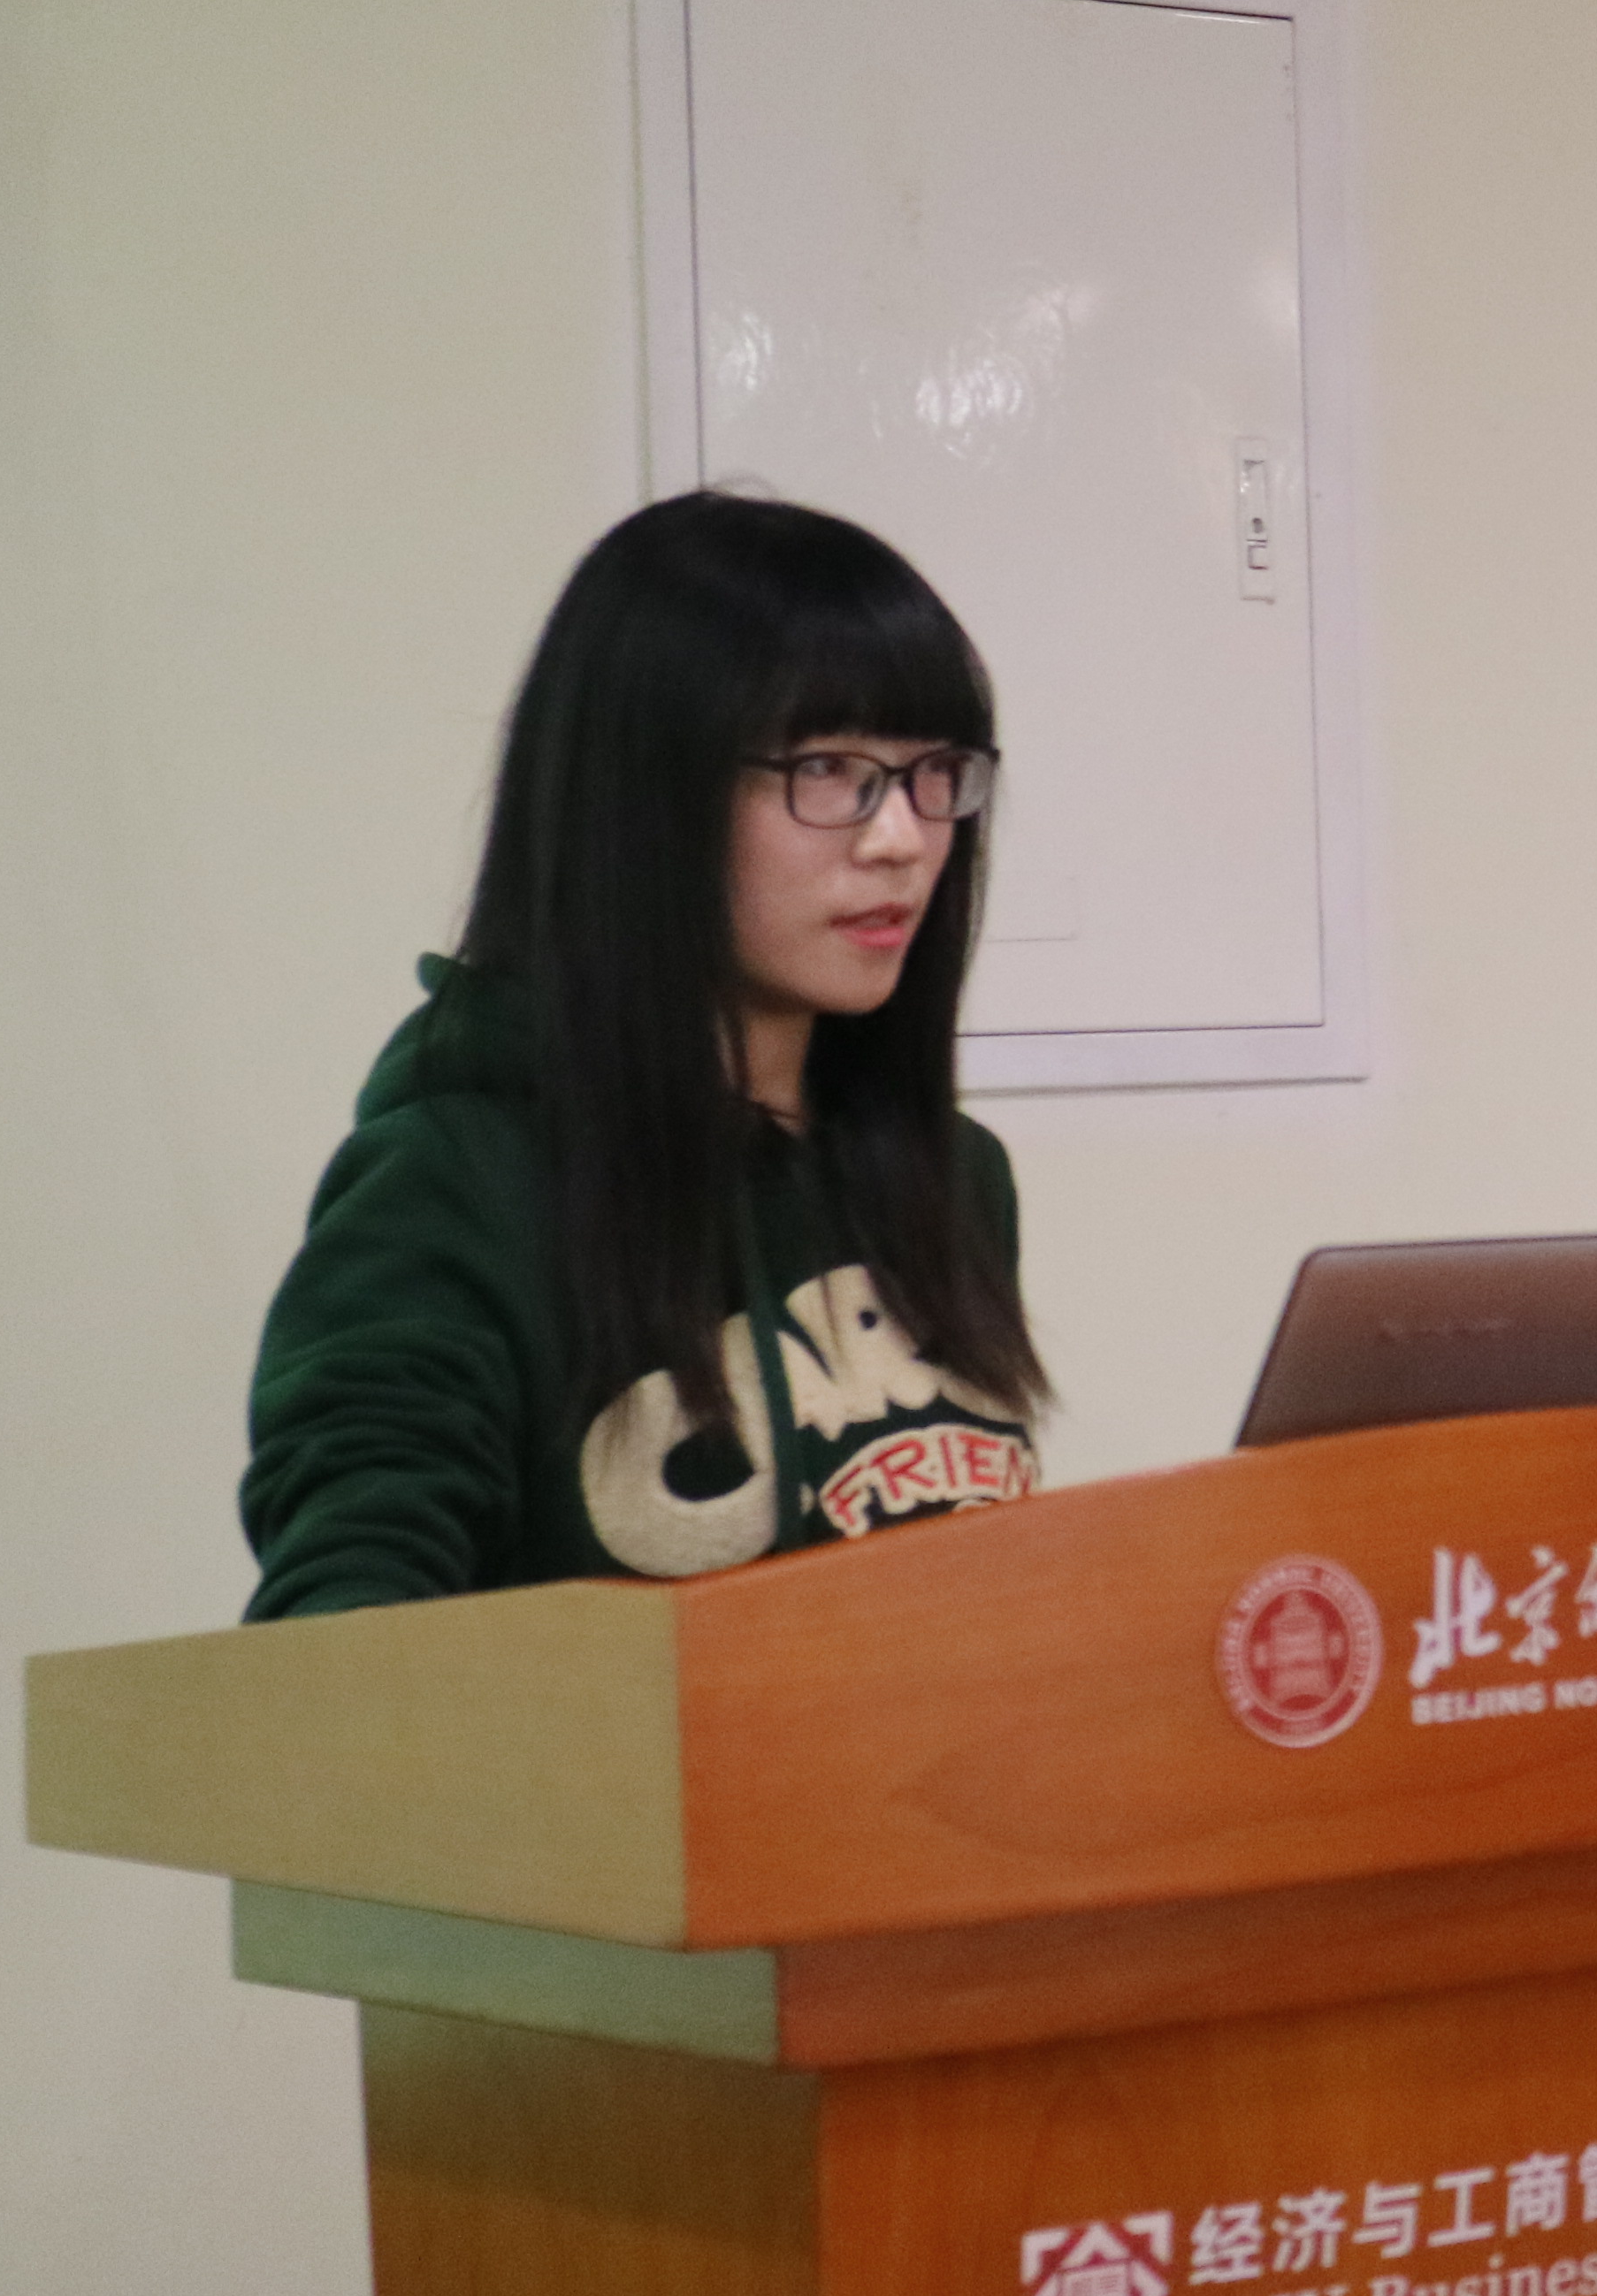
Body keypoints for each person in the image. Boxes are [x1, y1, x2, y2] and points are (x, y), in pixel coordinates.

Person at [238, 492, 1048, 1619]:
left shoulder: (951, 1174)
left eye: (933, 771)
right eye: (827, 769)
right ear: (647, 798)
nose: (902, 837)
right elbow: (341, 1632)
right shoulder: (452, 1185)